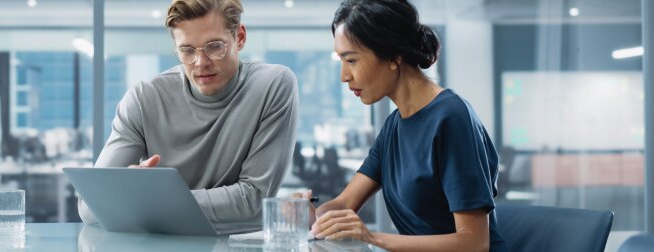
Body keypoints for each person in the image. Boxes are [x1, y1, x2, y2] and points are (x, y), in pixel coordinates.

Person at [295, 0, 507, 251]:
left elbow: (474, 242)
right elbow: (344, 203)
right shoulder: (394, 125)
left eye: (351, 60)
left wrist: (373, 238)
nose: (344, 76)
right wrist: (310, 215)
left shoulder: (451, 118)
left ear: (393, 56)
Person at [78, 0, 299, 224]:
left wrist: (147, 201)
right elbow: (89, 207)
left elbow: (253, 201)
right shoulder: (143, 99)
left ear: (239, 38)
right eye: (187, 50)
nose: (200, 62)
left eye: (214, 47)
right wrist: (135, 190)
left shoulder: (273, 84)